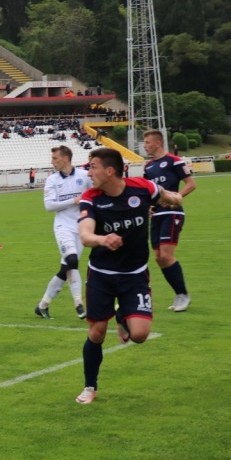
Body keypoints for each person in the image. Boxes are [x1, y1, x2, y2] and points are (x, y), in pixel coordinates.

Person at [75, 148, 184, 405]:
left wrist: (176, 199)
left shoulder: (143, 188)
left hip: (134, 275)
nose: (89, 173)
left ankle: (122, 316)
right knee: (97, 333)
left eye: (93, 167)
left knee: (140, 335)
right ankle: (90, 386)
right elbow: (85, 235)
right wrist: (103, 239)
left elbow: (168, 196)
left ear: (109, 170)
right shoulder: (91, 198)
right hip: (101, 275)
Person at [142, 129, 197, 312]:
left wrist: (175, 197)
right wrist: (148, 206)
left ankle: (183, 295)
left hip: (172, 214)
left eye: (148, 142)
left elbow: (191, 184)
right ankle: (179, 294)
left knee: (166, 255)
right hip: (156, 215)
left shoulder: (174, 161)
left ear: (158, 143)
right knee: (158, 258)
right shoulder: (148, 167)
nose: (145, 145)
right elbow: (148, 192)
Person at [34, 146, 90, 320]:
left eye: (55, 158)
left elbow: (94, 195)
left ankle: (43, 305)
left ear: (66, 158)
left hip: (81, 226)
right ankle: (79, 304)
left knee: (65, 268)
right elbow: (49, 206)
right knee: (72, 261)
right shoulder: (52, 180)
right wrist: (74, 200)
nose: (52, 161)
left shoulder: (84, 176)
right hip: (63, 226)